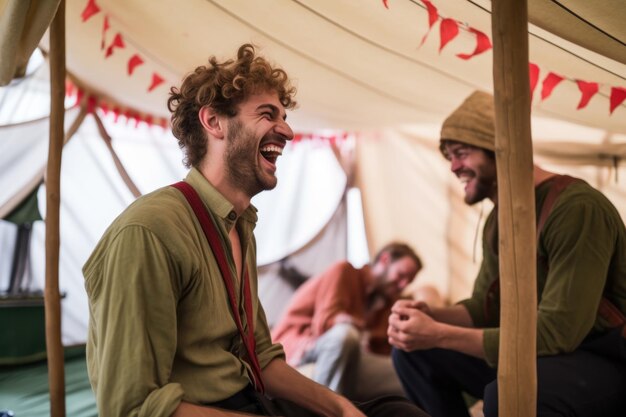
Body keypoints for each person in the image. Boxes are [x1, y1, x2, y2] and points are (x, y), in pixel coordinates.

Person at [84, 44, 429, 417]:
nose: (287, 130)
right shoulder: (149, 231)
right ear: (214, 121)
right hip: (210, 407)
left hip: (253, 397)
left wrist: (340, 408)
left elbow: (260, 356)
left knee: (399, 412)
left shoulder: (239, 225)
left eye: (283, 116)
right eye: (268, 115)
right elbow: (132, 407)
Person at [388, 90, 626, 417]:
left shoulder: (576, 209)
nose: (454, 167)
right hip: (543, 355)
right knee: (412, 351)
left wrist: (439, 334)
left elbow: (558, 334)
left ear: (499, 148)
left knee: (507, 395)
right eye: (449, 157)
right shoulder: (498, 220)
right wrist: (429, 316)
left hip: (603, 358)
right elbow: (486, 307)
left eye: (461, 153)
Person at [272, 243, 422, 400]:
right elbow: (325, 323)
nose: (403, 285)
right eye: (401, 275)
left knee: (409, 373)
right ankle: (329, 408)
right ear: (384, 260)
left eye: (409, 282)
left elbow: (383, 347)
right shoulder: (344, 271)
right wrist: (358, 327)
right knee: (345, 334)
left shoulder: (387, 302)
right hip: (298, 346)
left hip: (347, 353)